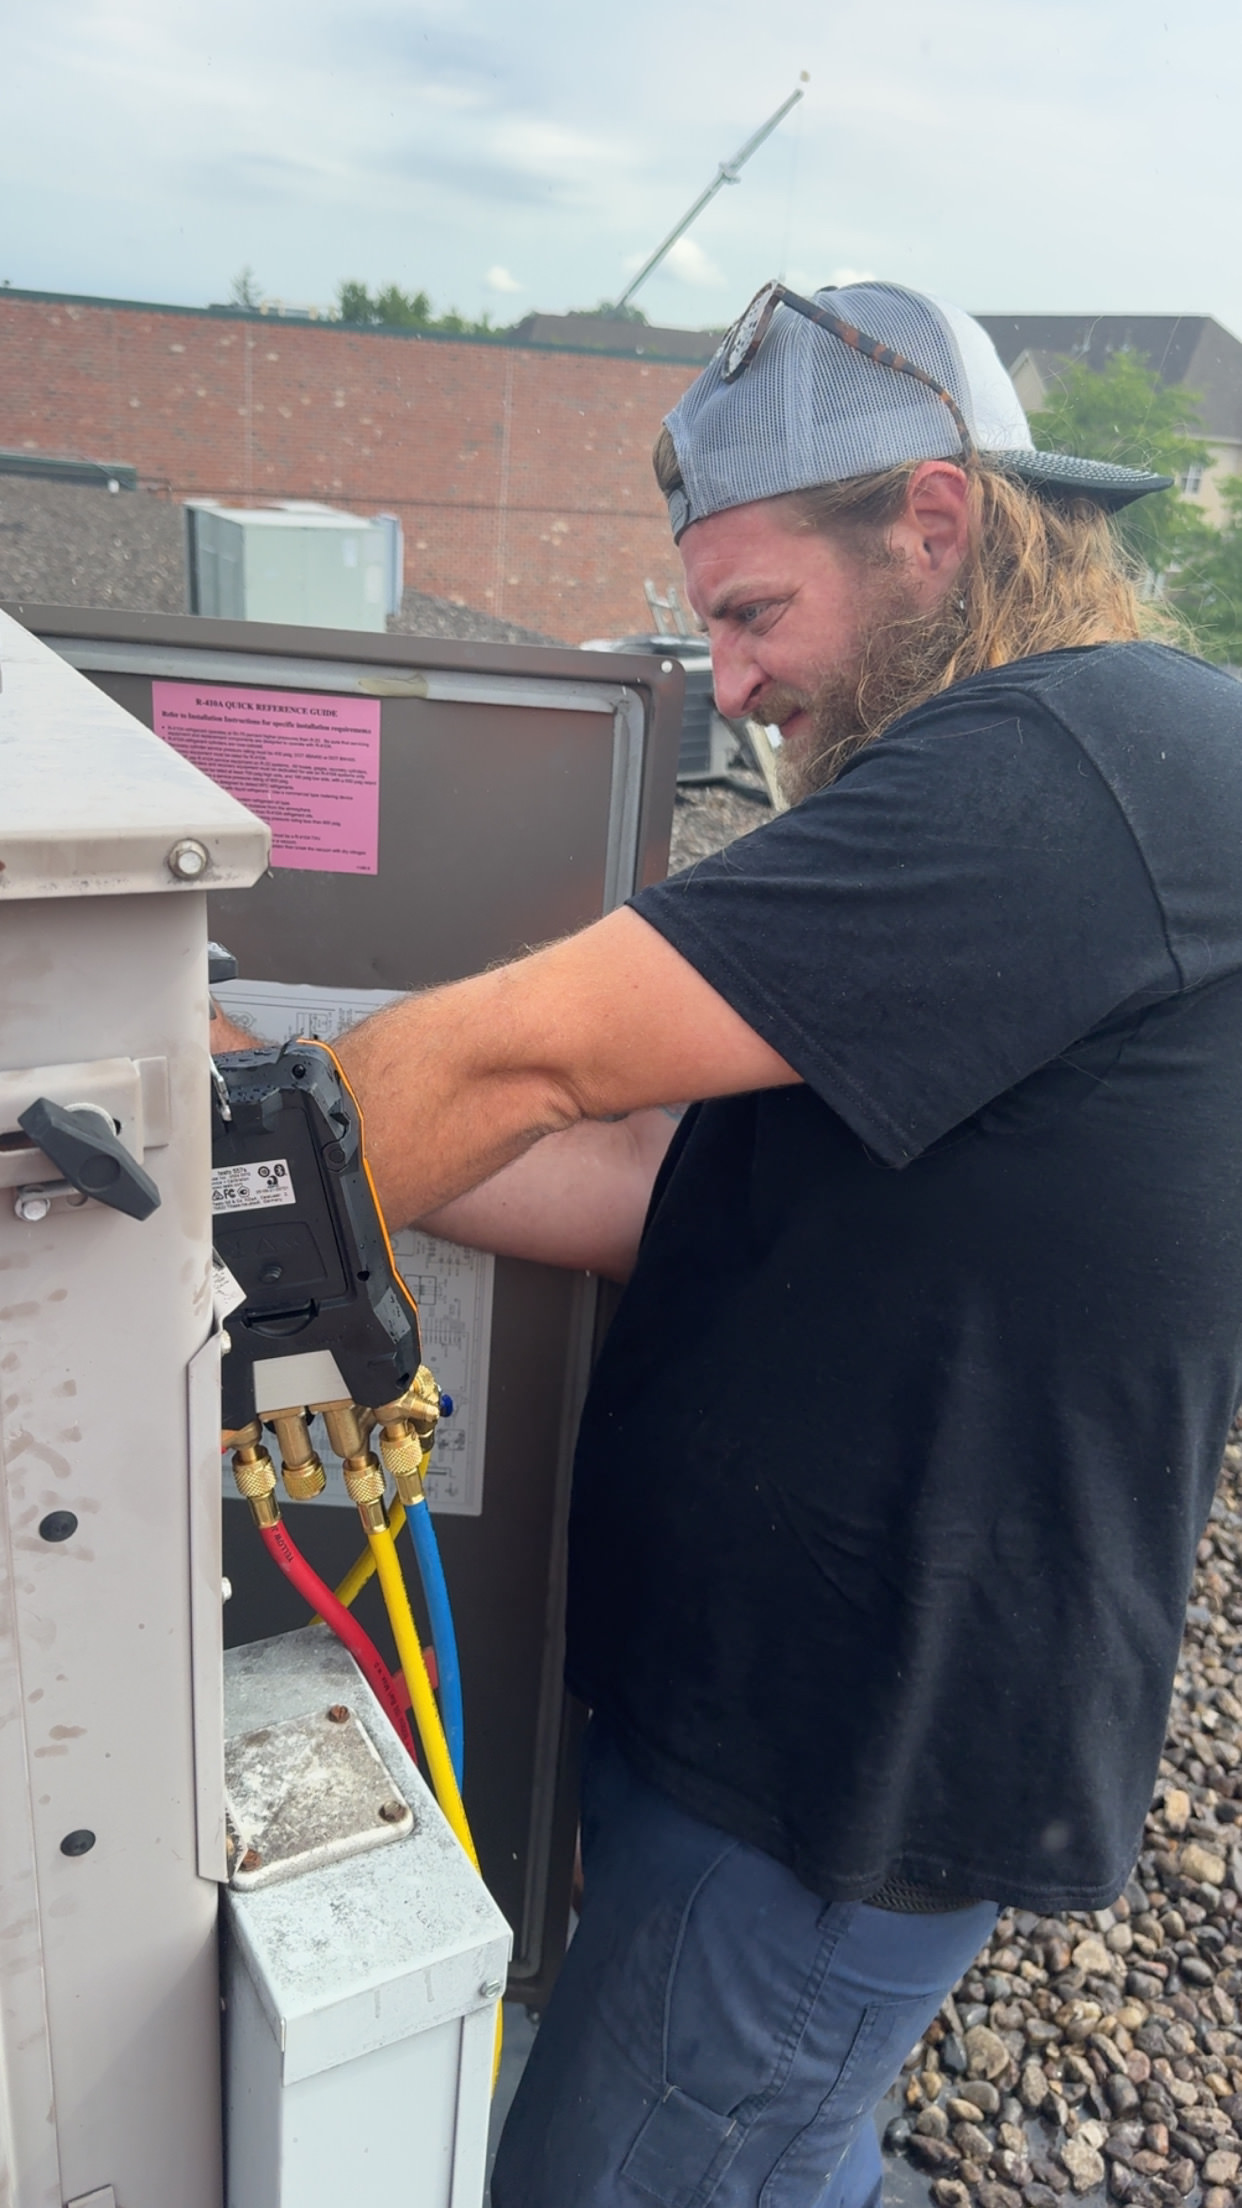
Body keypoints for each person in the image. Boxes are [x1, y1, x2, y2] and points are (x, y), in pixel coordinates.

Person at [216, 280, 1242, 2206]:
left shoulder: (1088, 755)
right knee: (776, 2153)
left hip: (838, 1780)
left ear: (935, 524)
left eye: (755, 615)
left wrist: (188, 1207)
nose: (734, 684)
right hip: (741, 1728)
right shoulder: (1001, 852)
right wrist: (248, 1069)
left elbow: (534, 1052)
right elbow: (630, 1170)